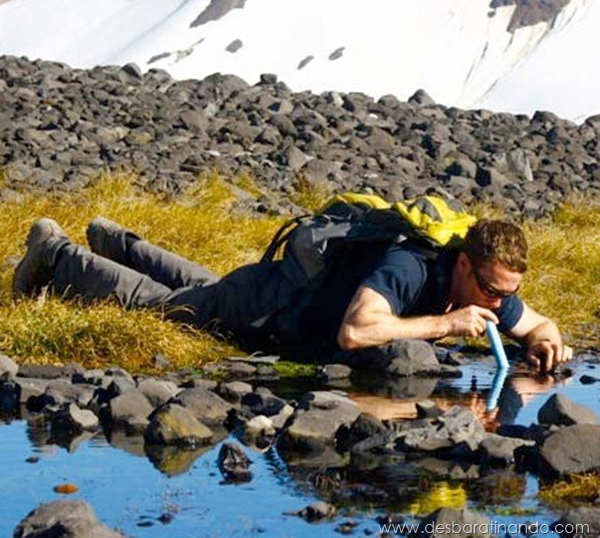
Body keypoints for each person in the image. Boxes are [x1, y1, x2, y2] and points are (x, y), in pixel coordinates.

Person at [13, 216, 572, 371]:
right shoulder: (409, 267)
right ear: (465, 264)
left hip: (277, 293)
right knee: (174, 310)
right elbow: (355, 331)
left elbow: (538, 325)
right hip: (270, 306)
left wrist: (550, 343)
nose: (500, 304)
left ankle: (117, 239)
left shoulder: (491, 292)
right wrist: (442, 326)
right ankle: (57, 253)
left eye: (508, 294)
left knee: (204, 287)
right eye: (492, 289)